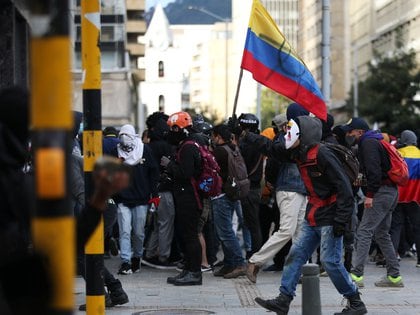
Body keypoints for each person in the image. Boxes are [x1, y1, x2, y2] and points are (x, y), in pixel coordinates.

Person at [243, 115, 366, 315]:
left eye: (292, 130)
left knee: (330, 262)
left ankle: (355, 302)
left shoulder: (323, 154)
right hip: (314, 214)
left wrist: (341, 221)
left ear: (305, 134)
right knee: (296, 254)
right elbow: (272, 149)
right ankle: (283, 300)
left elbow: (344, 188)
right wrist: (246, 135)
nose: (287, 134)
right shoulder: (298, 153)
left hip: (331, 215)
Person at [246, 114, 307, 283]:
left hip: (300, 189)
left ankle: (299, 270)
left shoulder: (299, 135)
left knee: (300, 231)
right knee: (287, 230)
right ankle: (255, 261)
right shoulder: (286, 137)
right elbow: (274, 156)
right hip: (289, 189)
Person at [343, 117, 404, 288]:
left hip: (381, 193)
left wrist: (370, 195)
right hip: (391, 192)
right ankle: (394, 277)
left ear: (360, 132)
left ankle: (356, 276)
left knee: (364, 231)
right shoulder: (375, 140)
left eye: (351, 131)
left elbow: (375, 172)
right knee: (382, 234)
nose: (349, 134)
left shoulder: (368, 143)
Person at [162, 111, 203, 285]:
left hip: (189, 197)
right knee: (186, 235)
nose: (170, 133)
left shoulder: (188, 147)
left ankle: (194, 272)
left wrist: (169, 165)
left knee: (190, 235)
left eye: (173, 129)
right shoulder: (187, 145)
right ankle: (189, 269)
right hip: (184, 196)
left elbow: (186, 173)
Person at [114, 124, 160, 275]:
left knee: (139, 232)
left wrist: (154, 195)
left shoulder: (144, 150)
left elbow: (153, 173)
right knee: (124, 231)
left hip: (141, 199)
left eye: (127, 135)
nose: (124, 139)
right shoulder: (116, 152)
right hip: (122, 198)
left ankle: (137, 257)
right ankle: (126, 261)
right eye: (122, 135)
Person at [209, 124, 247, 278]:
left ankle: (239, 263)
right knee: (226, 230)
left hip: (221, 195)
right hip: (233, 193)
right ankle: (229, 263)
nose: (212, 138)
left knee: (225, 232)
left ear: (218, 136)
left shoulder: (219, 151)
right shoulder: (234, 148)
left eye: (213, 136)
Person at [142, 112, 177, 269]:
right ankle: (163, 256)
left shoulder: (147, 147)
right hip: (164, 190)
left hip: (151, 191)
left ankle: (149, 253)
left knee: (157, 224)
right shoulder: (166, 146)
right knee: (165, 223)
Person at [390, 130, 420, 267]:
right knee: (417, 228)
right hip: (415, 198)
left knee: (395, 227)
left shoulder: (398, 154)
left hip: (398, 197)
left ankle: (393, 258)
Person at [236, 113, 264, 256]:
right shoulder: (259, 141)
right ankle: (253, 253)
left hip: (249, 188)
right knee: (251, 223)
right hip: (254, 187)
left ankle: (255, 255)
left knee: (252, 224)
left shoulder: (246, 145)